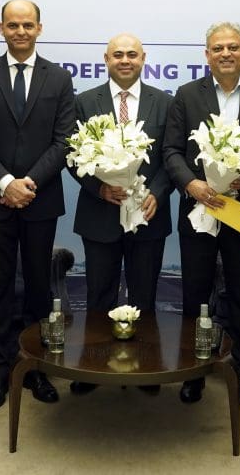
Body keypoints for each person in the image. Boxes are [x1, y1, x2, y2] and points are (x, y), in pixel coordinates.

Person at [162, 21, 240, 410]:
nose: (226, 53)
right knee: (195, 293)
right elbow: (171, 151)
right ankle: (193, 371)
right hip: (199, 205)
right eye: (218, 48)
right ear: (207, 55)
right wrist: (192, 184)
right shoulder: (186, 95)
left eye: (233, 47)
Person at [0, 0, 75, 410]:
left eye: (28, 24)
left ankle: (36, 369)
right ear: (1, 28)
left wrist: (28, 182)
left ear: (39, 29)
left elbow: (64, 140)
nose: (20, 31)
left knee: (38, 290)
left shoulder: (59, 78)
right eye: (13, 25)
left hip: (40, 199)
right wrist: (7, 182)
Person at [68, 33, 174, 396]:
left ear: (144, 58)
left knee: (145, 295)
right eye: (118, 55)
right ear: (106, 59)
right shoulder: (84, 102)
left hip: (149, 214)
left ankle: (146, 369)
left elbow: (171, 157)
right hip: (100, 214)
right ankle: (91, 368)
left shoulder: (164, 102)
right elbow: (72, 157)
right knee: (99, 296)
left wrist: (158, 193)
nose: (125, 60)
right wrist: (99, 188)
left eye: (132, 54)